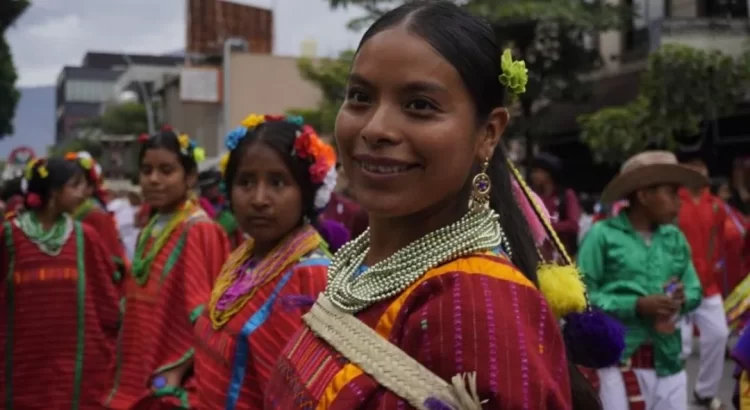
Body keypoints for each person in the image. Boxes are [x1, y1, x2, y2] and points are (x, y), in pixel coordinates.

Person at [264, 2, 604, 409]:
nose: (375, 129)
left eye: (420, 105)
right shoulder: (356, 267)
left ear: (488, 133)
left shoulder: (476, 306)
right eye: (359, 97)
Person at [194, 114, 337, 409]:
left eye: (278, 182)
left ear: (306, 193)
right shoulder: (242, 260)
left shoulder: (312, 277)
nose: (259, 198)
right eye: (245, 182)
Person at [105, 129, 231, 409]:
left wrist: (176, 370)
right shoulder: (148, 230)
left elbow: (212, 314)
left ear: (190, 178)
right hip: (139, 366)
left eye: (166, 170)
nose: (153, 179)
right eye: (146, 170)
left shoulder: (201, 230)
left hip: (176, 377)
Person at [578, 151, 705, 410]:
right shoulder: (602, 235)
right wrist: (636, 305)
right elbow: (581, 295)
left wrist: (682, 300)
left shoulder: (675, 238)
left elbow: (694, 288)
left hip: (669, 361)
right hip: (617, 363)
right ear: (644, 196)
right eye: (671, 194)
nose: (679, 203)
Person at [0, 157, 121, 409]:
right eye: (75, 185)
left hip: (73, 365)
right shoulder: (10, 236)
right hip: (21, 364)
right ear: (54, 191)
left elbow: (105, 297)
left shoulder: (84, 236)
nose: (83, 194)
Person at [677, 153, 730, 409]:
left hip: (708, 284)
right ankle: (671, 398)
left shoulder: (717, 205)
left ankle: (705, 392)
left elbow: (719, 241)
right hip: (678, 284)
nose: (700, 173)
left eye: (702, 168)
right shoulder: (674, 202)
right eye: (693, 169)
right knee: (679, 347)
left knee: (719, 334)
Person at [65, 151, 129, 286]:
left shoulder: (97, 217)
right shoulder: (60, 217)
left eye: (76, 184)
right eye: (64, 183)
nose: (67, 189)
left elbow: (113, 265)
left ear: (90, 188)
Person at [530, 152, 582, 255]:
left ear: (547, 174)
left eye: (537, 171)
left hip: (562, 258)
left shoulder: (566, 195)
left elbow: (573, 225)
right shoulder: (533, 197)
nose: (533, 176)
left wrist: (546, 226)